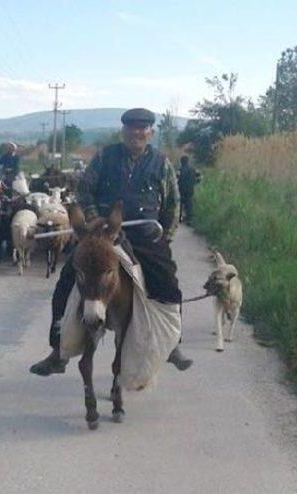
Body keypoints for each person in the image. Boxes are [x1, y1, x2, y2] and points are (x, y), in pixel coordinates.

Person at [29, 108, 193, 376]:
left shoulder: (161, 163)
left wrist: (165, 236)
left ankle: (172, 344)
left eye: (142, 129)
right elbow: (84, 191)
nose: (136, 133)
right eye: (131, 128)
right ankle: (58, 352)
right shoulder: (105, 156)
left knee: (169, 283)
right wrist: (95, 221)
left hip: (143, 234)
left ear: (150, 132)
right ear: (124, 131)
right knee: (66, 282)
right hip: (102, 233)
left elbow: (173, 204)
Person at [177, 155, 201, 225]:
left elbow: (176, 179)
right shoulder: (193, 170)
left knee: (180, 204)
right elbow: (200, 177)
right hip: (190, 190)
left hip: (181, 190)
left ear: (181, 162)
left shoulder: (180, 170)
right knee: (189, 205)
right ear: (188, 161)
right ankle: (189, 219)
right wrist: (196, 182)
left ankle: (179, 218)